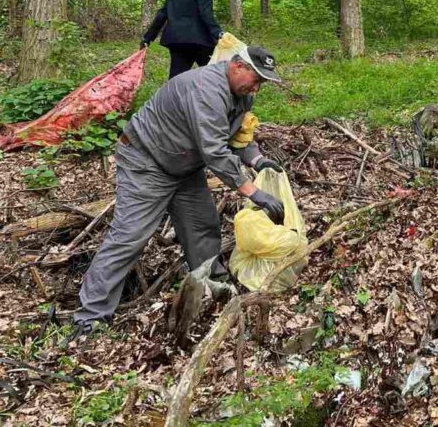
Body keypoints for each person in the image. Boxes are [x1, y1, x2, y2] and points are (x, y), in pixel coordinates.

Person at [69, 46, 287, 338]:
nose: (257, 88)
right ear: (237, 65)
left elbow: (237, 135)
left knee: (202, 226)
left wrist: (257, 160)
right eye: (256, 79)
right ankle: (90, 316)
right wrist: (253, 192)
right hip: (146, 161)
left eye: (263, 82)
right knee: (130, 236)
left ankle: (213, 286)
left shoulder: (242, 94)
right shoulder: (206, 90)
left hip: (183, 164)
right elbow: (214, 151)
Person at [142, 0, 224, 80]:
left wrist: (148, 37)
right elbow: (205, 12)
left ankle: (172, 94)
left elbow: (162, 14)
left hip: (177, 40)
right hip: (200, 41)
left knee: (176, 79)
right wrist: (218, 33)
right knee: (215, 76)